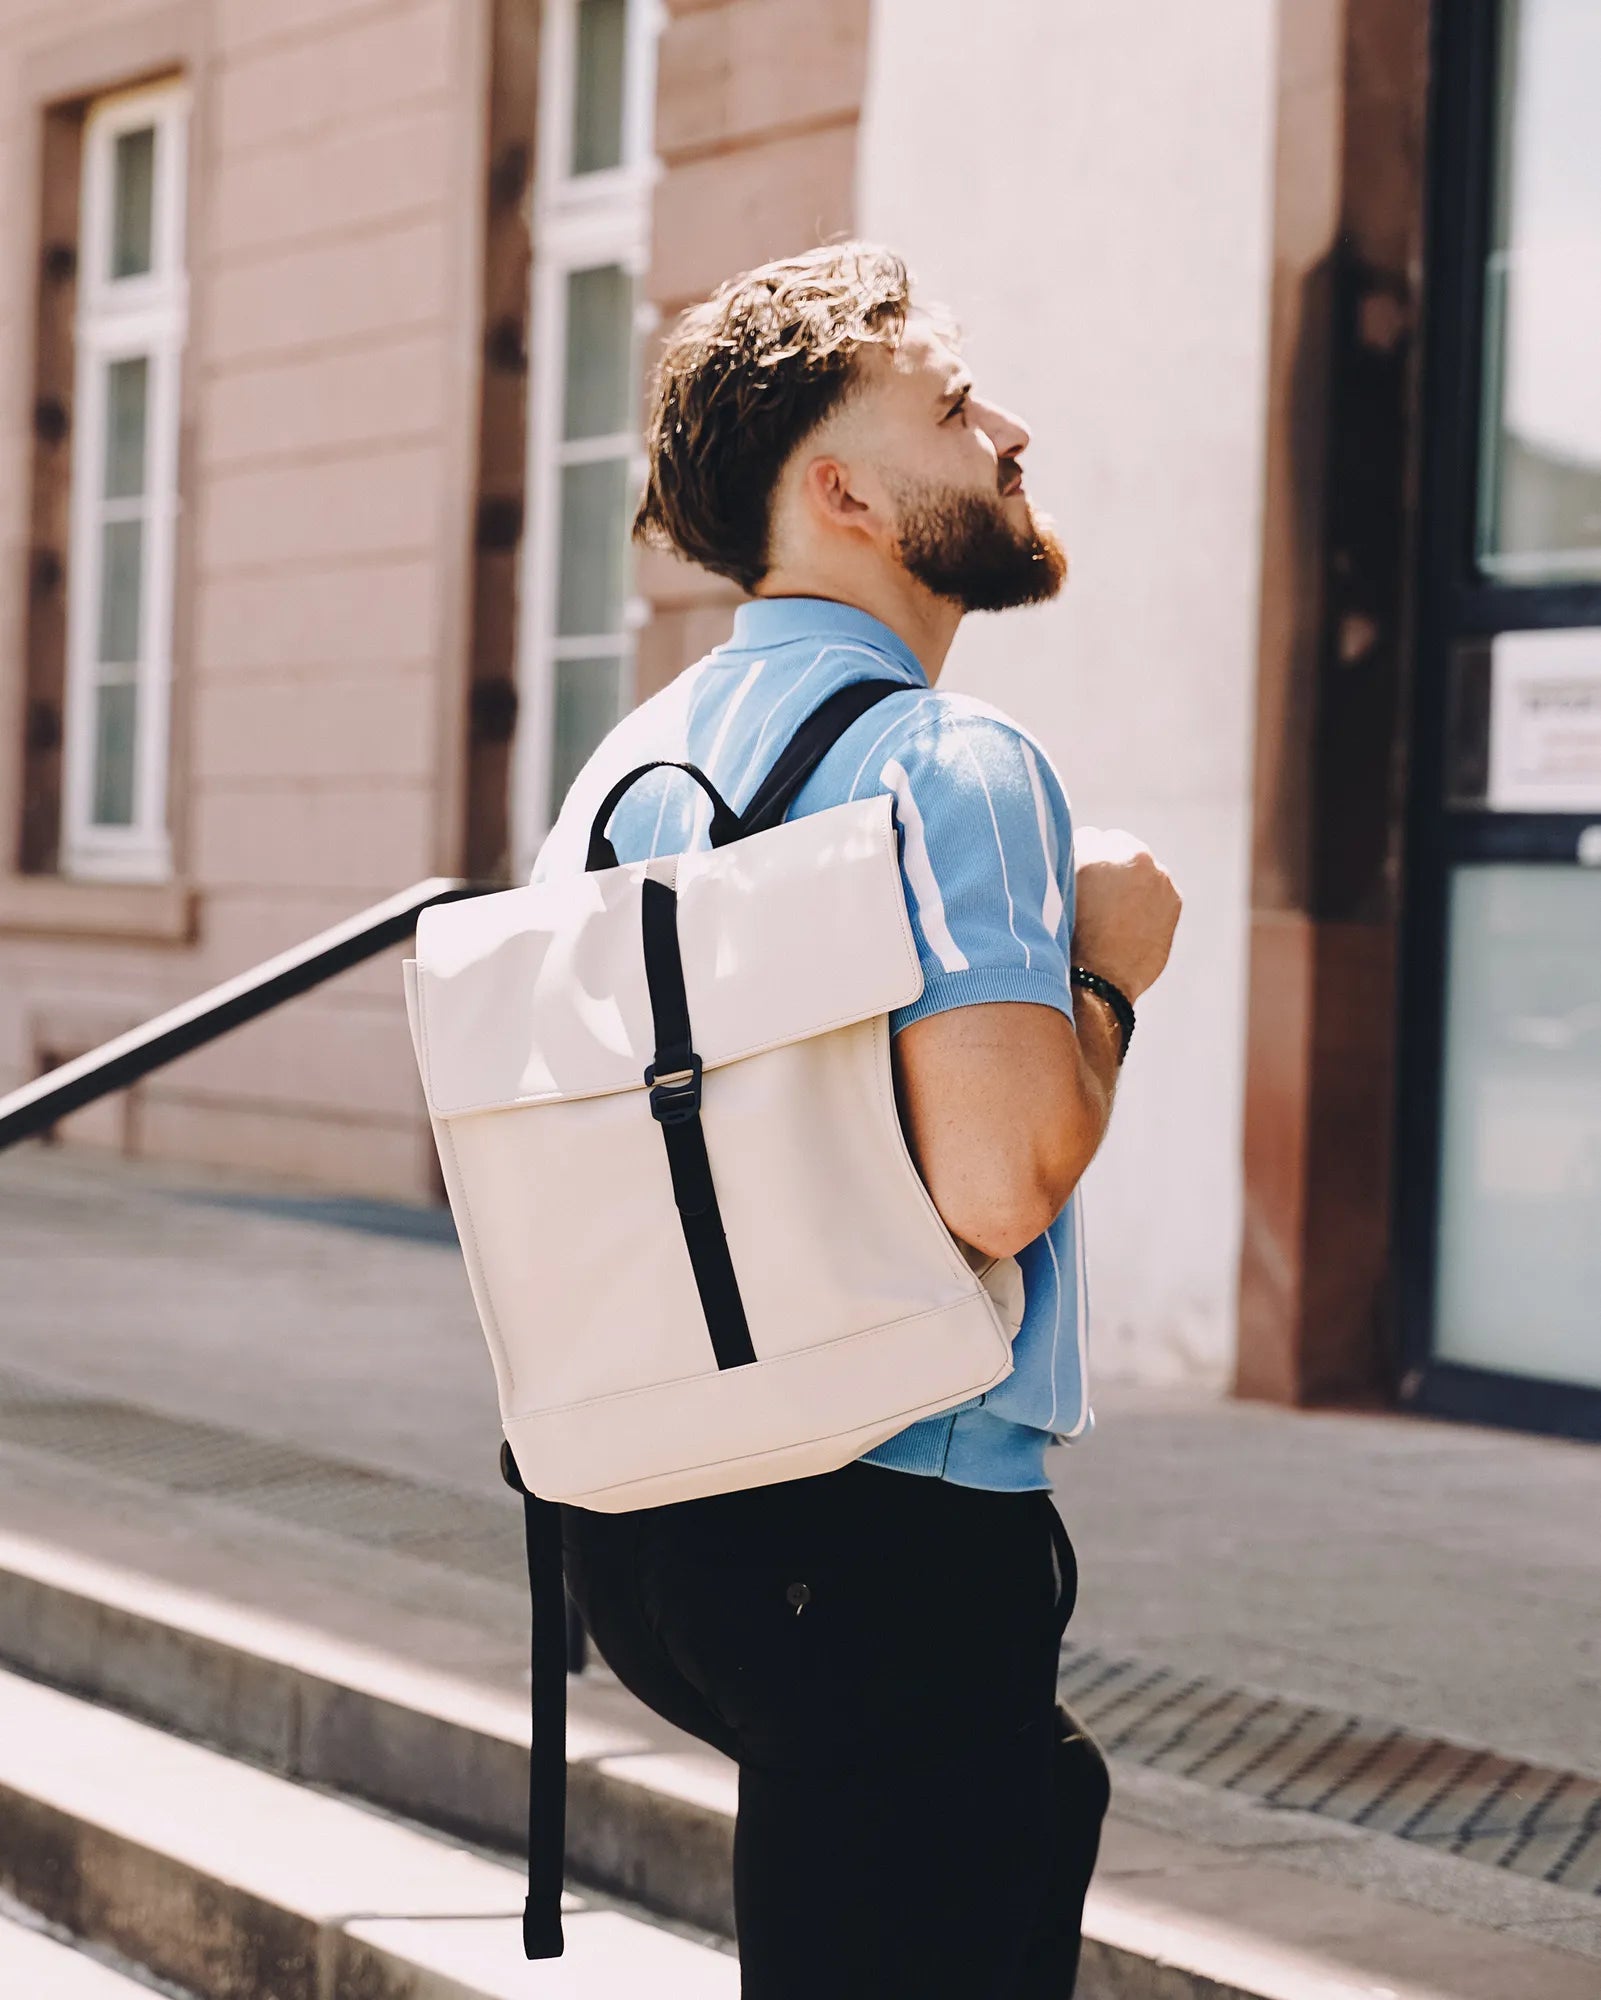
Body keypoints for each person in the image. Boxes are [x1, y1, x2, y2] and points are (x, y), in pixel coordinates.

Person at [532, 241, 1181, 1998]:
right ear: (842, 494)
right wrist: (1107, 972)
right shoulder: (946, 762)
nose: (1008, 430)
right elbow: (999, 1180)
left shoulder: (622, 767)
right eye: (955, 409)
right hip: (884, 1523)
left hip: (650, 1522)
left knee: (961, 1851)